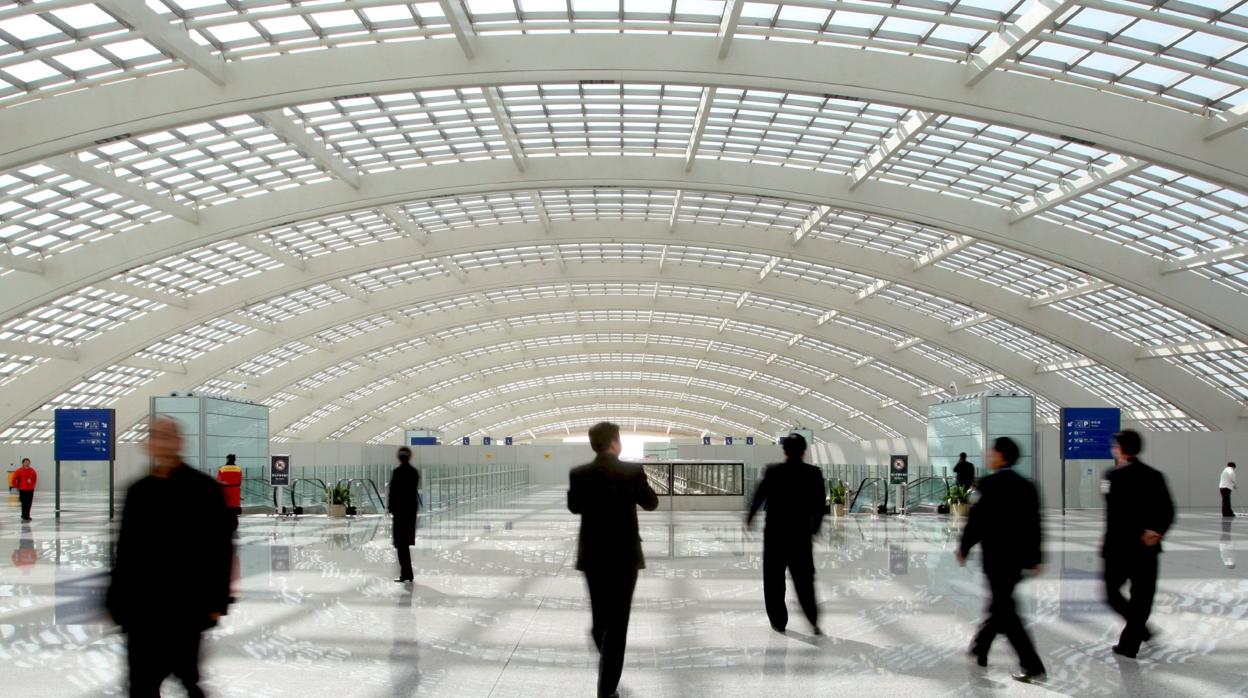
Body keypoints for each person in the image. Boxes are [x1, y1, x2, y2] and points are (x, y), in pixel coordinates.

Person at [106, 417, 233, 698]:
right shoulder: (137, 491)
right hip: (142, 608)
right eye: (155, 435)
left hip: (186, 605)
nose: (160, 441)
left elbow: (220, 548)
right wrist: (115, 599)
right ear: (146, 444)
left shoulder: (203, 489)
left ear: (179, 442)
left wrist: (216, 601)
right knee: (140, 683)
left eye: (167, 435)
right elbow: (124, 550)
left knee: (187, 677)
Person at [567, 422, 659, 698]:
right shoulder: (632, 471)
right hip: (624, 556)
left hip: (592, 555)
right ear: (616, 443)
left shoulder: (579, 473)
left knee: (600, 619)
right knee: (618, 625)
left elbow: (574, 507)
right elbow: (651, 503)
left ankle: (601, 643)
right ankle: (606, 690)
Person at [956, 437, 1045, 683]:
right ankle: (981, 647)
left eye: (992, 452)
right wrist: (1036, 557)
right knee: (1000, 605)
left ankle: (1031, 663)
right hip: (1017, 559)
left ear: (1002, 456)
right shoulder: (1027, 487)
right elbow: (1035, 524)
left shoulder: (990, 484)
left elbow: (978, 520)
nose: (989, 456)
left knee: (1006, 612)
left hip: (996, 557)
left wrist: (964, 546)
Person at [1102, 429, 1175, 660]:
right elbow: (1168, 510)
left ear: (1120, 448)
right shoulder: (1154, 476)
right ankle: (1134, 637)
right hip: (1145, 548)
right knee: (1142, 597)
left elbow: (1112, 513)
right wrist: (1157, 531)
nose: (1113, 449)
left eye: (1115, 446)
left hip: (1118, 547)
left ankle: (1133, 639)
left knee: (1112, 592)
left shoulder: (1111, 476)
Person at [746, 433, 826, 635]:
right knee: (804, 579)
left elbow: (759, 496)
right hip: (800, 536)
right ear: (804, 451)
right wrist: (814, 529)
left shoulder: (773, 471)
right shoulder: (813, 473)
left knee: (773, 580)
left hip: (774, 535)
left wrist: (750, 517)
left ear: (784, 451)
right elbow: (819, 506)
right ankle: (812, 618)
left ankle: (778, 621)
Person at [388, 446, 421, 583]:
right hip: (410, 512)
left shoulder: (397, 472)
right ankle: (407, 573)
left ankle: (406, 574)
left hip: (400, 513)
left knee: (401, 544)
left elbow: (393, 492)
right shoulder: (414, 472)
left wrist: (391, 508)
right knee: (404, 543)